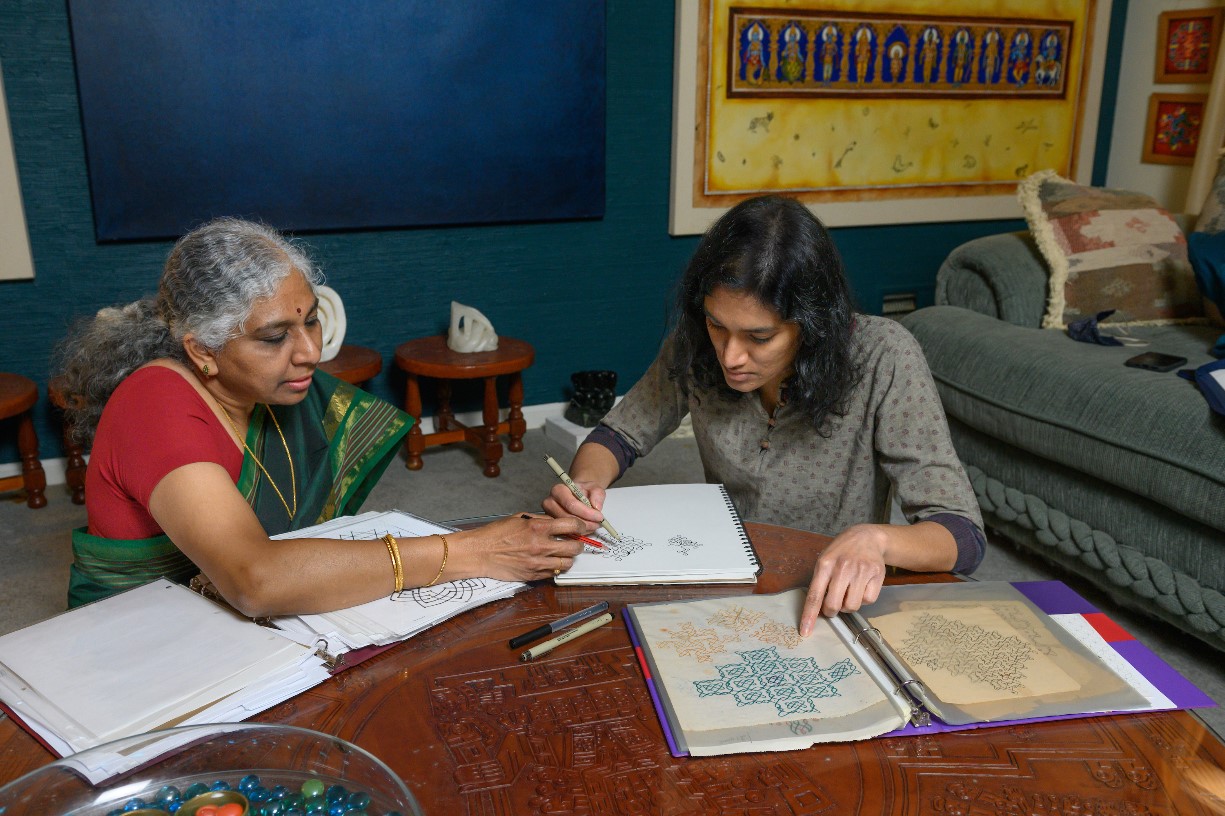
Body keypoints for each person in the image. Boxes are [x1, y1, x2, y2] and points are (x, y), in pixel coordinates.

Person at [58, 217, 587, 614]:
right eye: (274, 337)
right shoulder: (155, 408)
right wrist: (470, 550)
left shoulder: (274, 392)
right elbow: (255, 580)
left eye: (312, 320)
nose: (311, 351)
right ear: (201, 351)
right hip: (142, 635)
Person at [543, 195, 985, 635]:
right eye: (718, 325)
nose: (731, 356)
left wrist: (877, 540)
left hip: (827, 595)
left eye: (760, 336)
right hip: (720, 571)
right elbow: (618, 436)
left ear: (813, 325)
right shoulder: (696, 342)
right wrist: (585, 486)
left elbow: (962, 535)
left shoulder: (883, 356)